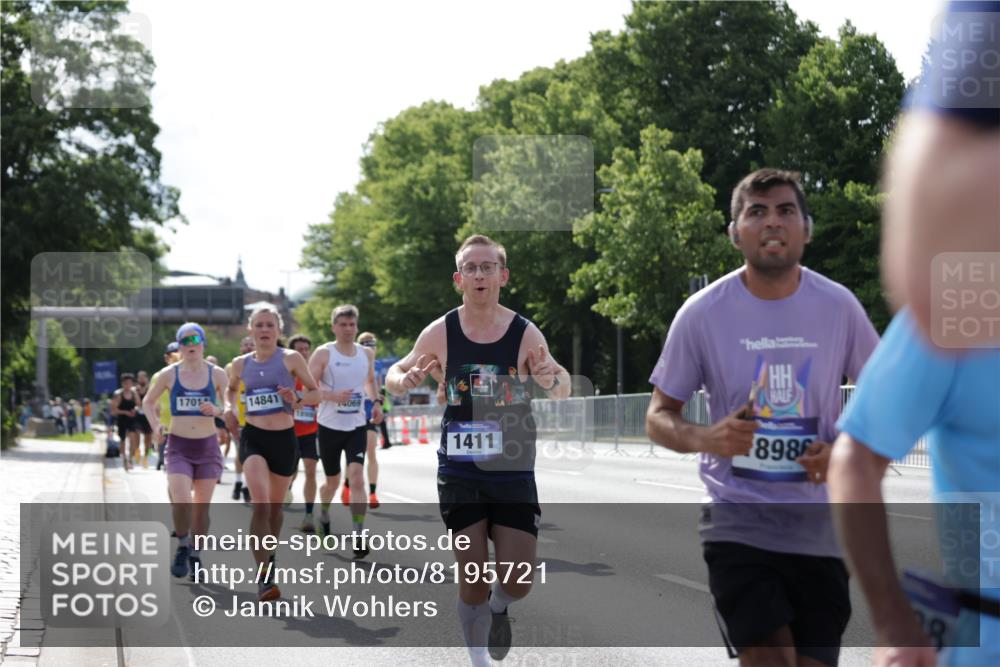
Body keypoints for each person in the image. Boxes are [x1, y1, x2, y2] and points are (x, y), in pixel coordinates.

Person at [644, 169, 880, 667]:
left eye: (785, 210)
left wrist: (844, 453)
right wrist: (709, 437)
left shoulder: (839, 307)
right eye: (756, 211)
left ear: (806, 229)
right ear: (735, 233)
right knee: (770, 657)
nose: (772, 221)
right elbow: (659, 415)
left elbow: (886, 395)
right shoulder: (702, 313)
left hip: (820, 528)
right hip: (738, 522)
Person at [386, 234, 570, 666]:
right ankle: (478, 660)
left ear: (503, 276)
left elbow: (560, 384)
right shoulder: (441, 331)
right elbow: (397, 370)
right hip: (461, 468)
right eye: (471, 267)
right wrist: (404, 380)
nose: (480, 274)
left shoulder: (524, 332)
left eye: (488, 267)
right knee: (472, 576)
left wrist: (550, 380)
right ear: (459, 278)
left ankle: (500, 605)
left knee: (518, 579)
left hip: (513, 468)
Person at [224, 306, 319, 601]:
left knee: (276, 511)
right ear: (250, 330)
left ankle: (270, 556)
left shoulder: (291, 359)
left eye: (270, 325)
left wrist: (298, 397)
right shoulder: (239, 364)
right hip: (254, 438)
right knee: (262, 505)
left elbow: (315, 393)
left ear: (278, 331)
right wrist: (229, 407)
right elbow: (230, 390)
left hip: (284, 440)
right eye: (259, 325)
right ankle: (264, 578)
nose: (265, 330)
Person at [144, 323, 229, 580]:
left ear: (203, 343)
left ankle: (195, 553)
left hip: (207, 447)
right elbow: (148, 402)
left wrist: (216, 410)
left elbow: (226, 403)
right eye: (184, 341)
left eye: (195, 340)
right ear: (179, 346)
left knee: (202, 509)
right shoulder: (169, 375)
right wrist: (156, 425)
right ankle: (182, 545)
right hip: (179, 445)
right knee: (182, 500)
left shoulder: (217, 374)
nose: (190, 345)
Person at [306, 305, 383, 557]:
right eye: (343, 324)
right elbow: (307, 391)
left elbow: (370, 381)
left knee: (357, 476)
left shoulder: (365, 354)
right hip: (329, 427)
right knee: (332, 482)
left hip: (357, 426)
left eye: (352, 324)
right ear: (334, 327)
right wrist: (331, 395)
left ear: (356, 326)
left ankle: (359, 534)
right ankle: (324, 514)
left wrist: (377, 402)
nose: (348, 329)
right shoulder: (323, 354)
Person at [288, 334, 320, 531]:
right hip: (288, 432)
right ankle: (287, 488)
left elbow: (321, 396)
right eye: (299, 349)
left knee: (310, 469)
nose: (304, 353)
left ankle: (308, 514)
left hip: (310, 431)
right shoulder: (286, 375)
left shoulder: (314, 375)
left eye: (306, 349)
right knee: (289, 473)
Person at [225, 336, 255, 502]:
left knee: (252, 455)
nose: (248, 347)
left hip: (257, 417)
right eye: (246, 345)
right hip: (239, 418)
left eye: (251, 345)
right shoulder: (232, 367)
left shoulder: (261, 365)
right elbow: (226, 390)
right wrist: (230, 409)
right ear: (241, 347)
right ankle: (238, 481)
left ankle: (246, 485)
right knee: (241, 453)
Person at [151, 342, 181, 471]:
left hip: (187, 429)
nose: (176, 357)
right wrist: (156, 426)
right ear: (166, 358)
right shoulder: (159, 376)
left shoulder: (191, 375)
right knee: (171, 470)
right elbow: (152, 404)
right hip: (166, 428)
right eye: (171, 354)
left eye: (179, 353)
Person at [110, 374, 141, 472]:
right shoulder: (118, 394)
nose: (128, 385)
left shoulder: (134, 393)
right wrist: (125, 412)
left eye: (130, 383)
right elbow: (113, 410)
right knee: (123, 441)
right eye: (126, 383)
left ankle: (130, 459)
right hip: (122, 419)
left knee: (133, 440)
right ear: (122, 384)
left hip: (132, 419)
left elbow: (138, 405)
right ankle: (124, 460)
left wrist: (134, 410)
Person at [206, 355, 232, 471]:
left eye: (213, 362)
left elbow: (227, 396)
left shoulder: (220, 376)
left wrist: (225, 411)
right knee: (216, 438)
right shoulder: (201, 377)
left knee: (226, 439)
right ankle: (215, 461)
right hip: (208, 414)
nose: (211, 364)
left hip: (221, 412)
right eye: (209, 362)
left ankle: (221, 459)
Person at [134, 370, 154, 467]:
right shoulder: (135, 390)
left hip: (147, 415)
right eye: (139, 377)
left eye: (143, 377)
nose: (141, 379)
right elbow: (136, 403)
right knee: (136, 436)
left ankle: (146, 457)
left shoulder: (151, 388)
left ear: (146, 378)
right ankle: (137, 454)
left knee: (148, 439)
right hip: (138, 416)